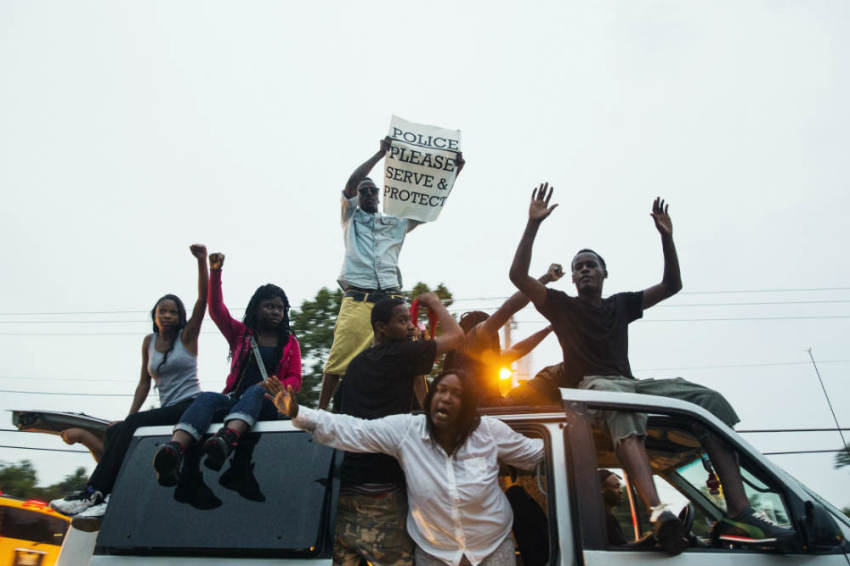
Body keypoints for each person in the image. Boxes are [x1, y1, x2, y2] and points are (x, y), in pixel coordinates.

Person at [508, 184, 795, 554]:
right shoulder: (562, 306)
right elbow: (518, 275)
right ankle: (658, 513)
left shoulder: (621, 304)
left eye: (590, 265)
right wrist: (532, 225)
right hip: (593, 388)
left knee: (708, 400)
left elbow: (673, 284)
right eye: (578, 267)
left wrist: (667, 239)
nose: (583, 270)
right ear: (574, 279)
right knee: (619, 403)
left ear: (604, 273)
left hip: (632, 384)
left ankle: (740, 512)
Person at [265, 369, 544, 566]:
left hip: (492, 549)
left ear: (468, 405)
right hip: (435, 554)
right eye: (441, 391)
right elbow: (354, 429)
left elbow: (536, 455)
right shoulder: (408, 431)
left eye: (456, 394)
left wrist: (582, 436)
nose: (445, 398)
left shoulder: (489, 432)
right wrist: (298, 413)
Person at [50, 244, 209, 527]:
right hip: (166, 408)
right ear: (155, 314)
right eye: (163, 311)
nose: (168, 316)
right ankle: (110, 497)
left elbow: (202, 301)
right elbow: (143, 383)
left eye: (173, 312)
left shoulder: (187, 337)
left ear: (180, 317)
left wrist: (202, 262)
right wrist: (128, 417)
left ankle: (91, 494)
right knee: (117, 430)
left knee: (130, 425)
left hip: (189, 405)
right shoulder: (148, 342)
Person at [318, 137, 465, 409]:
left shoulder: (395, 223)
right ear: (357, 197)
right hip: (357, 300)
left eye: (374, 191)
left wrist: (452, 173)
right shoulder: (350, 218)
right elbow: (351, 183)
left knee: (412, 357)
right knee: (339, 358)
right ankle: (321, 411)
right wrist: (379, 154)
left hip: (393, 302)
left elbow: (428, 206)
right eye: (365, 191)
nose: (370, 194)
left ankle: (424, 411)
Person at [327, 292, 463, 566]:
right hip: (382, 494)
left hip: (345, 496)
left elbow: (339, 413)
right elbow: (457, 337)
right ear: (381, 328)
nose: (411, 326)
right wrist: (435, 303)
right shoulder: (400, 355)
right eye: (403, 321)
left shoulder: (355, 366)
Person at [153, 252, 301, 484]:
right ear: (256, 309)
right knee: (207, 398)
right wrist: (215, 272)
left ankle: (227, 439)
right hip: (236, 401)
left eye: (280, 308)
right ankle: (174, 449)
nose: (275, 312)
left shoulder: (290, 342)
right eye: (269, 306)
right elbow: (216, 310)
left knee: (256, 391)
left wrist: (279, 387)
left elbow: (296, 377)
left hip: (269, 403)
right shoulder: (241, 334)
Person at [444, 264, 563, 406]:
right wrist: (546, 278)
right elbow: (509, 308)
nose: (494, 333)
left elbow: (518, 349)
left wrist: (549, 328)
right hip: (492, 408)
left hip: (494, 409)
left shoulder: (481, 359)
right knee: (554, 374)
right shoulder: (475, 338)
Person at [599, 469, 628, 546]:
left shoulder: (603, 516)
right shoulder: (605, 519)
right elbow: (621, 548)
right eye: (616, 486)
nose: (621, 491)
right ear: (601, 489)